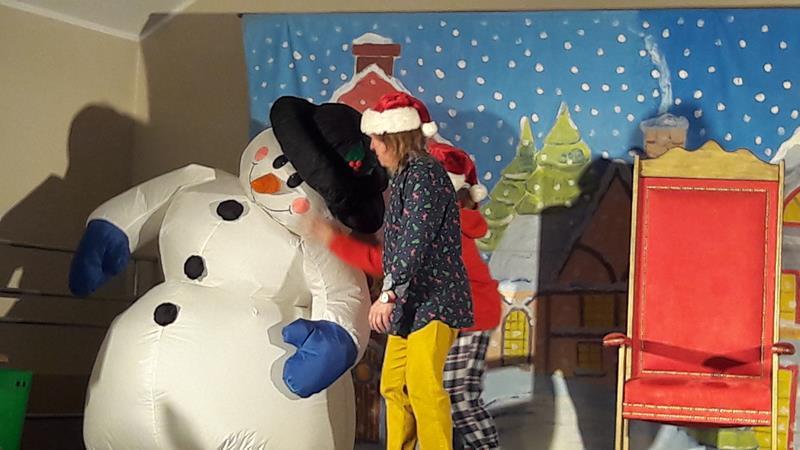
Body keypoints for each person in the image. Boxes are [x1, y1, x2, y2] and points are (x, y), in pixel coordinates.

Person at [308, 141, 502, 449]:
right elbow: (395, 259)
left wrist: (335, 241)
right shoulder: (424, 216)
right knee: (397, 385)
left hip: (465, 315)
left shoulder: (446, 226)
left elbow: (391, 261)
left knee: (448, 392)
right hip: (420, 309)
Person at [361, 92, 473, 450]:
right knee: (394, 385)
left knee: (423, 386)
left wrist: (389, 292)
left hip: (435, 300)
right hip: (411, 303)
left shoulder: (425, 174)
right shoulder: (406, 177)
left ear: (394, 137)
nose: (372, 147)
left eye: (376, 139)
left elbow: (415, 239)